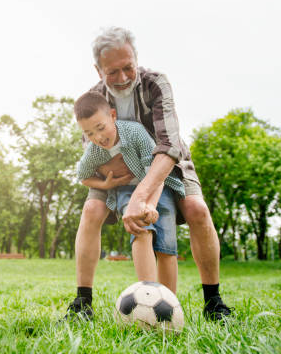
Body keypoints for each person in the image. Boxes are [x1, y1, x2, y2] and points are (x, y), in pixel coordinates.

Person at [65, 26, 232, 321]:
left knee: (196, 209)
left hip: (168, 162)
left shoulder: (156, 84)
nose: (122, 78)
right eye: (111, 72)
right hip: (117, 170)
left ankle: (214, 303)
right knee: (91, 209)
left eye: (127, 67)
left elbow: (168, 146)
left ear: (136, 58)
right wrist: (118, 179)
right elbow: (92, 154)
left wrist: (142, 196)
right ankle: (82, 304)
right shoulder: (91, 100)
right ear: (97, 69)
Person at [74, 91, 184, 297]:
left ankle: (169, 304)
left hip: (158, 185)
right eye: (89, 134)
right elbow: (83, 176)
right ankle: (148, 298)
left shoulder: (135, 132)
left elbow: (155, 171)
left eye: (100, 128)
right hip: (126, 190)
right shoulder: (93, 151)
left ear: (113, 116)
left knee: (166, 247)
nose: (98, 137)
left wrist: (150, 204)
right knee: (140, 229)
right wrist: (106, 184)